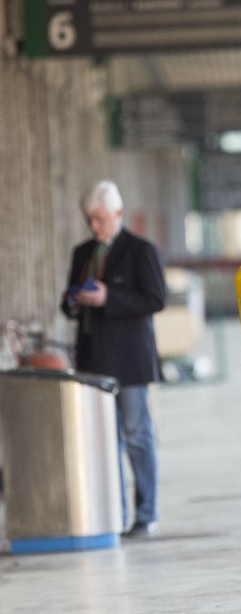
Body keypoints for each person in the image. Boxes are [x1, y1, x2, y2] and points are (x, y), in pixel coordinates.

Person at [61, 180, 167, 538]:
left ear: (118, 214)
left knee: (137, 435)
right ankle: (112, 515)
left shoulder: (141, 251)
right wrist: (74, 300)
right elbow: (66, 302)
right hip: (93, 360)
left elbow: (155, 300)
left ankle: (145, 513)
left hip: (130, 361)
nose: (94, 226)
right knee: (104, 441)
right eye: (89, 219)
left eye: (99, 218)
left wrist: (109, 297)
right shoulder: (82, 253)